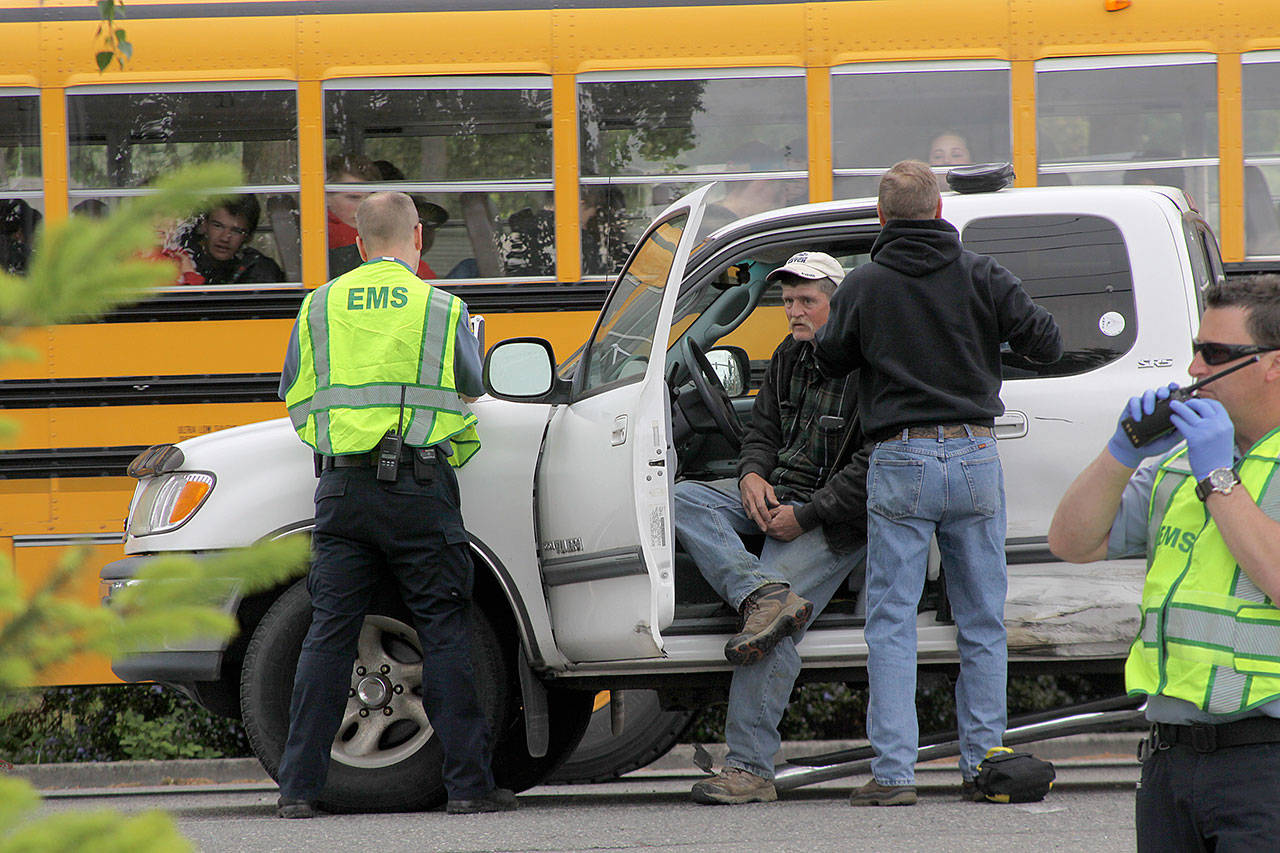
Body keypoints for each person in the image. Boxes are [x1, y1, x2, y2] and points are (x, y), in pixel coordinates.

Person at [814, 160, 1062, 806]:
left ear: (880, 217)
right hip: (976, 455)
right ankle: (984, 765)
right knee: (983, 620)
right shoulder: (982, 274)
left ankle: (894, 773)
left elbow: (828, 357)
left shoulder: (865, 285)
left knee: (891, 619)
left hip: (902, 460)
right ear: (939, 213)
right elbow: (1048, 341)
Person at [276, 191, 511, 817]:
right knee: (444, 629)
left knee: (328, 635)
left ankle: (297, 790)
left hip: (342, 489)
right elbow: (470, 384)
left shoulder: (317, 307)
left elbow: (292, 392)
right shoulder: (441, 306)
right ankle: (467, 787)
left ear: (356, 243)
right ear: (418, 237)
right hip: (418, 487)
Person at [1047, 274, 1280, 851]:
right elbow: (1071, 542)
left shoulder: (1206, 469)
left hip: (1266, 762)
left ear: (1273, 364)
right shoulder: (1182, 464)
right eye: (1196, 350)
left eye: (1216, 354)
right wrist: (1120, 453)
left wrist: (1219, 482)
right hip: (1170, 759)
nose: (1196, 369)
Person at [675, 251, 869, 805]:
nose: (794, 311)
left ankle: (750, 770)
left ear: (839, 304)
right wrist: (752, 475)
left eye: (807, 300)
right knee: (685, 498)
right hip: (777, 496)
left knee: (773, 631)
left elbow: (871, 468)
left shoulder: (868, 368)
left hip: (831, 521)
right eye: (787, 301)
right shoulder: (788, 356)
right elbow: (761, 431)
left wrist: (805, 515)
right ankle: (762, 593)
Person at [182, 196, 285, 285]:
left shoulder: (259, 269)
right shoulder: (183, 259)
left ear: (249, 237)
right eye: (218, 226)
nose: (225, 238)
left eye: (237, 231)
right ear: (204, 225)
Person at [700, 142, 791, 234]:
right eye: (779, 186)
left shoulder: (702, 216)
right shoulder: (724, 229)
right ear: (762, 184)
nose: (784, 196)